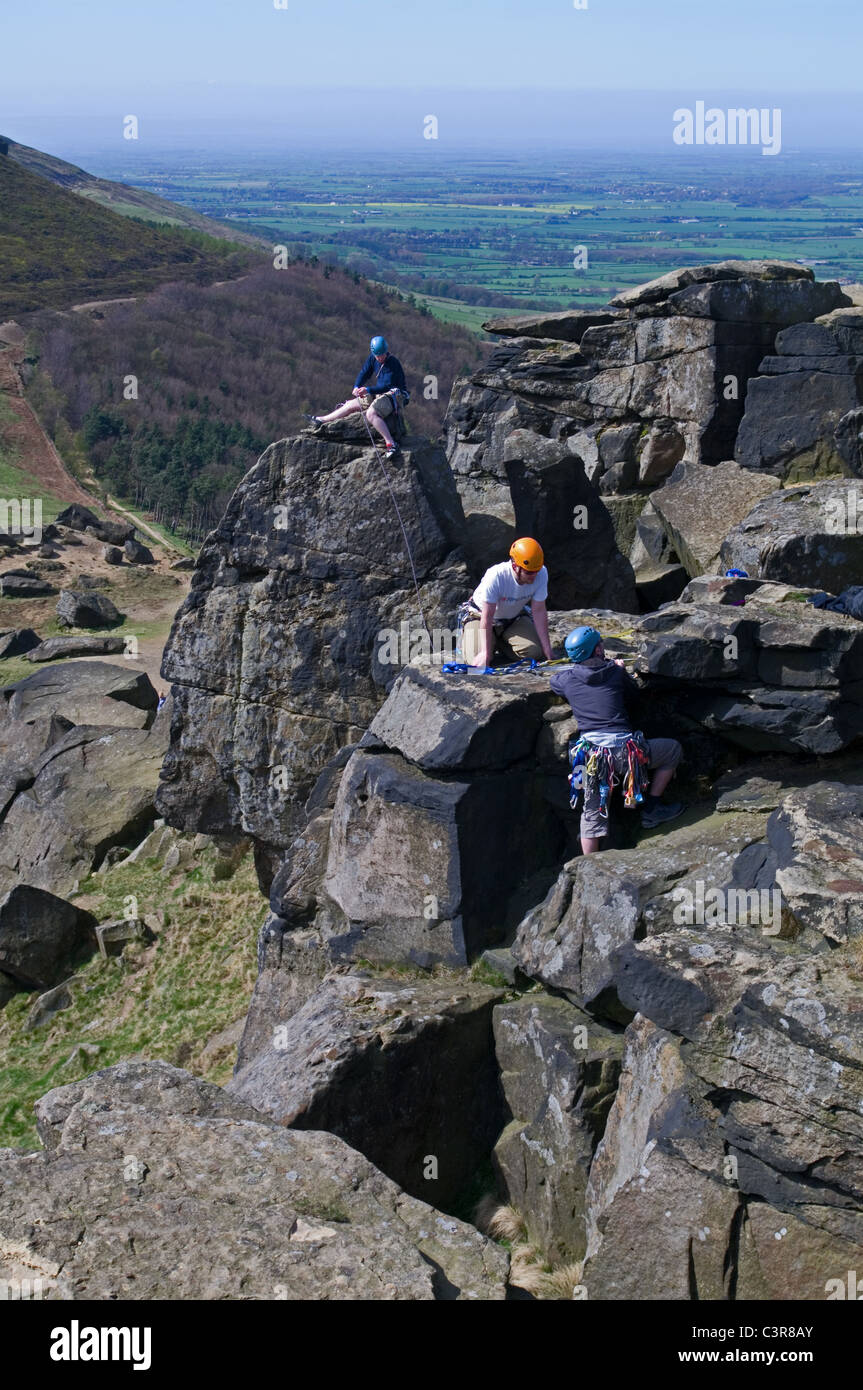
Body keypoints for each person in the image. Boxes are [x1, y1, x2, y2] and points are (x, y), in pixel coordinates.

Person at [550, 625, 684, 854]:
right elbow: (633, 694)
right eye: (600, 644)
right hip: (626, 753)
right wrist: (619, 669)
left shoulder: (567, 679)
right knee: (672, 750)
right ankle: (652, 809)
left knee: (591, 812)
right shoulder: (615, 672)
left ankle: (588, 867)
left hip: (592, 756)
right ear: (597, 649)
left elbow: (555, 682)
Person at [306, 335, 407, 459]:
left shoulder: (392, 363)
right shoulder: (373, 359)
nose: (380, 358)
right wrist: (357, 386)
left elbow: (386, 386)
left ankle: (391, 444)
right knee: (350, 405)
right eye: (378, 355)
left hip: (394, 395)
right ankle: (322, 420)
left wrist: (367, 389)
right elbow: (364, 372)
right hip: (380, 393)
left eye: (382, 355)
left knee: (371, 414)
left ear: (386, 351)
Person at [460, 538, 556, 667]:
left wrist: (547, 649)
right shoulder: (496, 576)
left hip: (512, 619)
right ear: (515, 566)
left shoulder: (541, 573)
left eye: (536, 571)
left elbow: (538, 610)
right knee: (475, 661)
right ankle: (485, 642)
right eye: (529, 572)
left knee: (534, 652)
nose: (534, 576)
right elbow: (487, 617)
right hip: (480, 616)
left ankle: (499, 642)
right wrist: (485, 653)